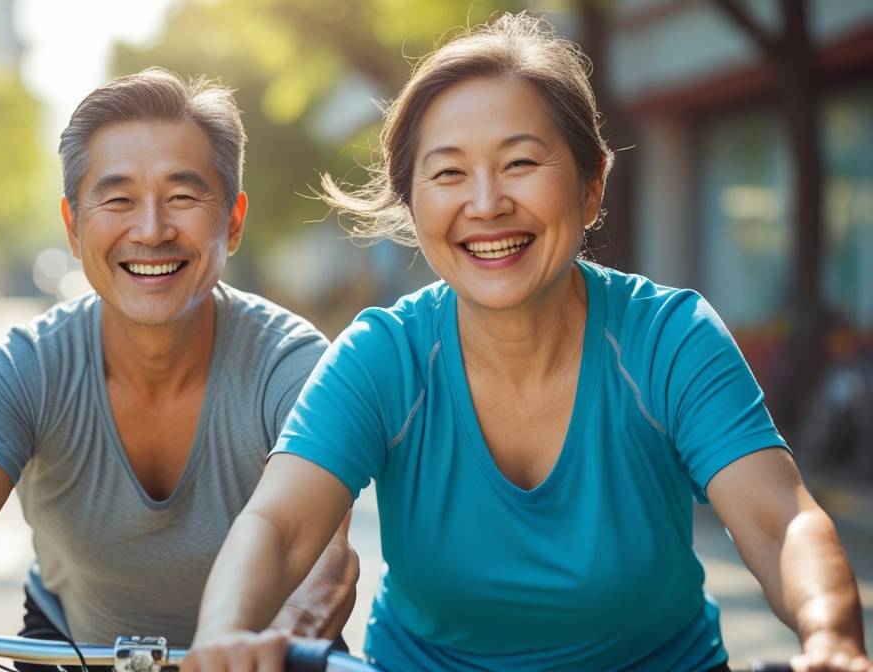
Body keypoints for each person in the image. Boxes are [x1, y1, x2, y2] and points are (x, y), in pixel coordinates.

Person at [184, 14, 870, 672]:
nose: (486, 204)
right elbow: (276, 526)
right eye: (448, 172)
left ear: (592, 185)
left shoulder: (670, 338)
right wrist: (221, 637)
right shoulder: (382, 355)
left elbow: (780, 525)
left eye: (519, 163)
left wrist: (830, 635)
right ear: (413, 201)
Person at [0, 68, 358, 672]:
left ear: (232, 218)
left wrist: (280, 640)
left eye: (182, 197)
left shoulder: (295, 364)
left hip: (267, 657)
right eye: (118, 200)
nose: (150, 231)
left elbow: (325, 553)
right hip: (73, 648)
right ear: (73, 227)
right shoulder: (30, 364)